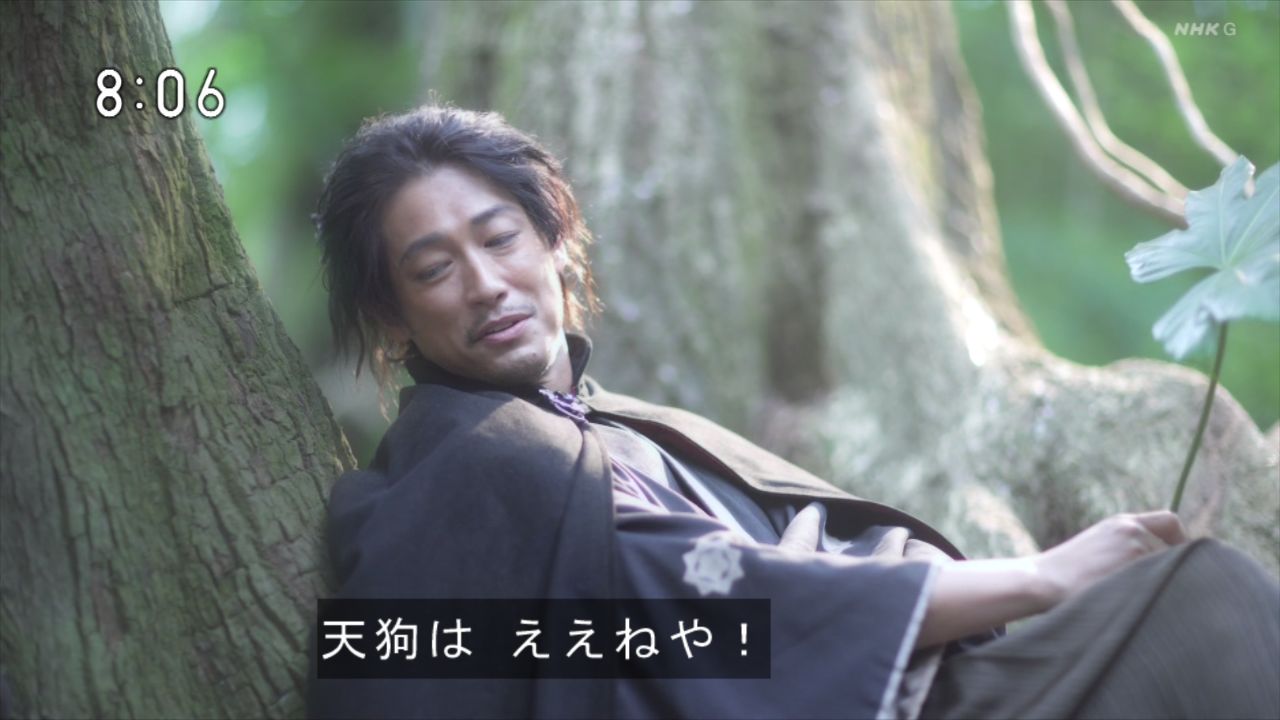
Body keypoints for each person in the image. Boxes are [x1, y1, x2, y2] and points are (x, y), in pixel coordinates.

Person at [306, 104, 1279, 720]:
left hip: (923, 673)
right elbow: (726, 605)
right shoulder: (478, 459)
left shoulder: (610, 423)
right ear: (391, 313)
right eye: (433, 269)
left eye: (499, 238)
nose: (484, 284)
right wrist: (1038, 576)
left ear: (555, 239)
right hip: (888, 698)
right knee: (1201, 602)